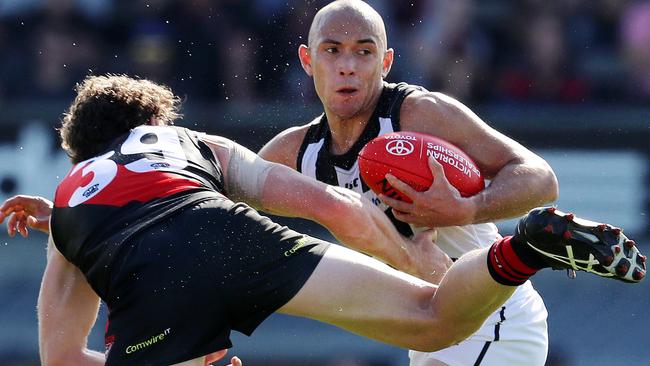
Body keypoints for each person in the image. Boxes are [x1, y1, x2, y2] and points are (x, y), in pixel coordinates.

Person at [0, 74, 644, 366]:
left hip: (152, 287)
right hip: (225, 230)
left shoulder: (72, 197)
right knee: (434, 322)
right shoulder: (190, 144)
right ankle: (526, 249)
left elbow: (59, 356)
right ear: (152, 126)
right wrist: (424, 273)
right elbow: (330, 206)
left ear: (84, 152)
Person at [256, 1, 634, 365]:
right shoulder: (294, 152)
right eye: (332, 50)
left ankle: (533, 246)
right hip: (429, 326)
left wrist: (469, 208)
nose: (347, 66)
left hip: (494, 318)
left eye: (364, 52)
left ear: (386, 62)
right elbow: (218, 200)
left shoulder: (421, 114)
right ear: (307, 60)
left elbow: (540, 179)